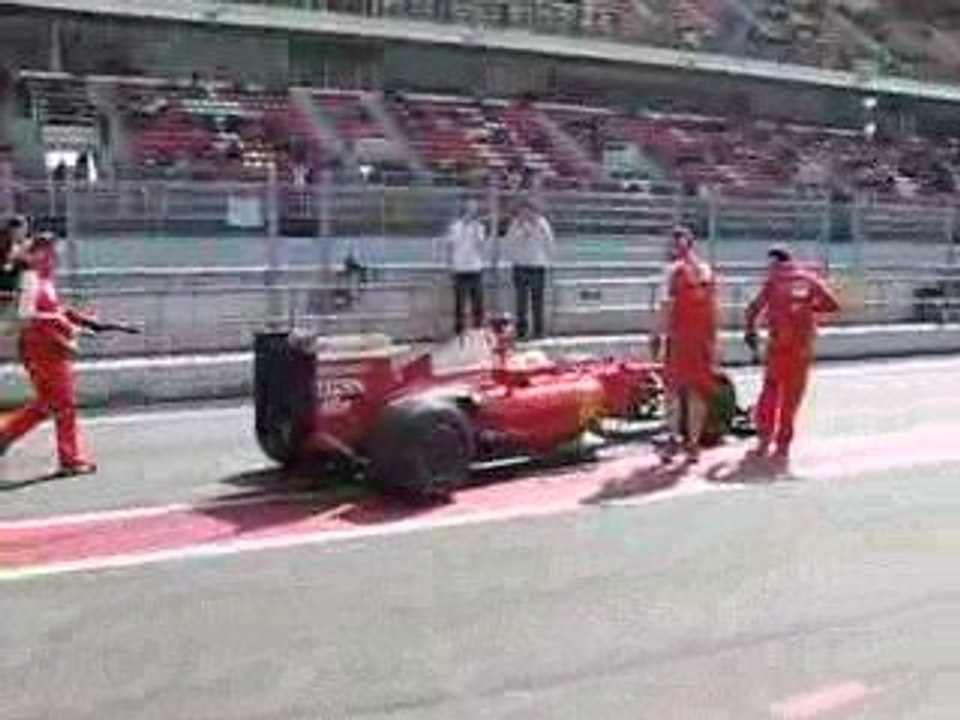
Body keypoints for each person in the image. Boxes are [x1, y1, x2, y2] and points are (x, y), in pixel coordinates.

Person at [0, 232, 97, 475]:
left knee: (46, 404)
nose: (58, 258)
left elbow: (52, 310)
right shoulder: (32, 279)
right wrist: (64, 338)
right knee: (64, 406)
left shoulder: (44, 280)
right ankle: (70, 460)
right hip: (45, 352)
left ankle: (4, 436)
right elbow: (27, 318)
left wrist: (79, 320)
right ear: (41, 253)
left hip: (46, 351)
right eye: (54, 253)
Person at [744, 246, 840, 464]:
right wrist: (807, 309)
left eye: (768, 264)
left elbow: (752, 309)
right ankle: (783, 445)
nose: (767, 269)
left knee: (770, 392)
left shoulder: (773, 281)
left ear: (775, 263)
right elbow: (832, 305)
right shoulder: (809, 280)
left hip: (778, 347)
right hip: (802, 348)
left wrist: (750, 332)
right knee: (792, 398)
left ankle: (764, 439)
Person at [653, 226, 719, 462]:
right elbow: (712, 308)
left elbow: (665, 307)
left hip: (678, 338)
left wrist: (656, 335)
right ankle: (693, 445)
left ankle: (672, 439)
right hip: (702, 340)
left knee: (672, 390)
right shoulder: (706, 269)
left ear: (675, 245)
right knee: (696, 392)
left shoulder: (671, 271)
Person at [505, 198, 554, 340]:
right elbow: (509, 243)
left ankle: (539, 331)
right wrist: (521, 232)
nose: (527, 213)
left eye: (530, 210)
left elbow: (549, 242)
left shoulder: (542, 223)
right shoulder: (515, 224)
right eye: (524, 210)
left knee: (537, 301)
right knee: (521, 302)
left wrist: (548, 261)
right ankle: (521, 332)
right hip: (520, 266)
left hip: (537, 267)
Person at [443, 198, 487, 337]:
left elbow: (480, 246)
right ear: (464, 210)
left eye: (474, 209)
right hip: (460, 269)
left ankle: (478, 331)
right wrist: (450, 266)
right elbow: (449, 247)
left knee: (478, 302)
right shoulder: (455, 226)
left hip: (475, 269)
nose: (471, 211)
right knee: (460, 303)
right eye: (469, 208)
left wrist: (474, 229)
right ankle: (459, 332)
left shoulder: (480, 227)